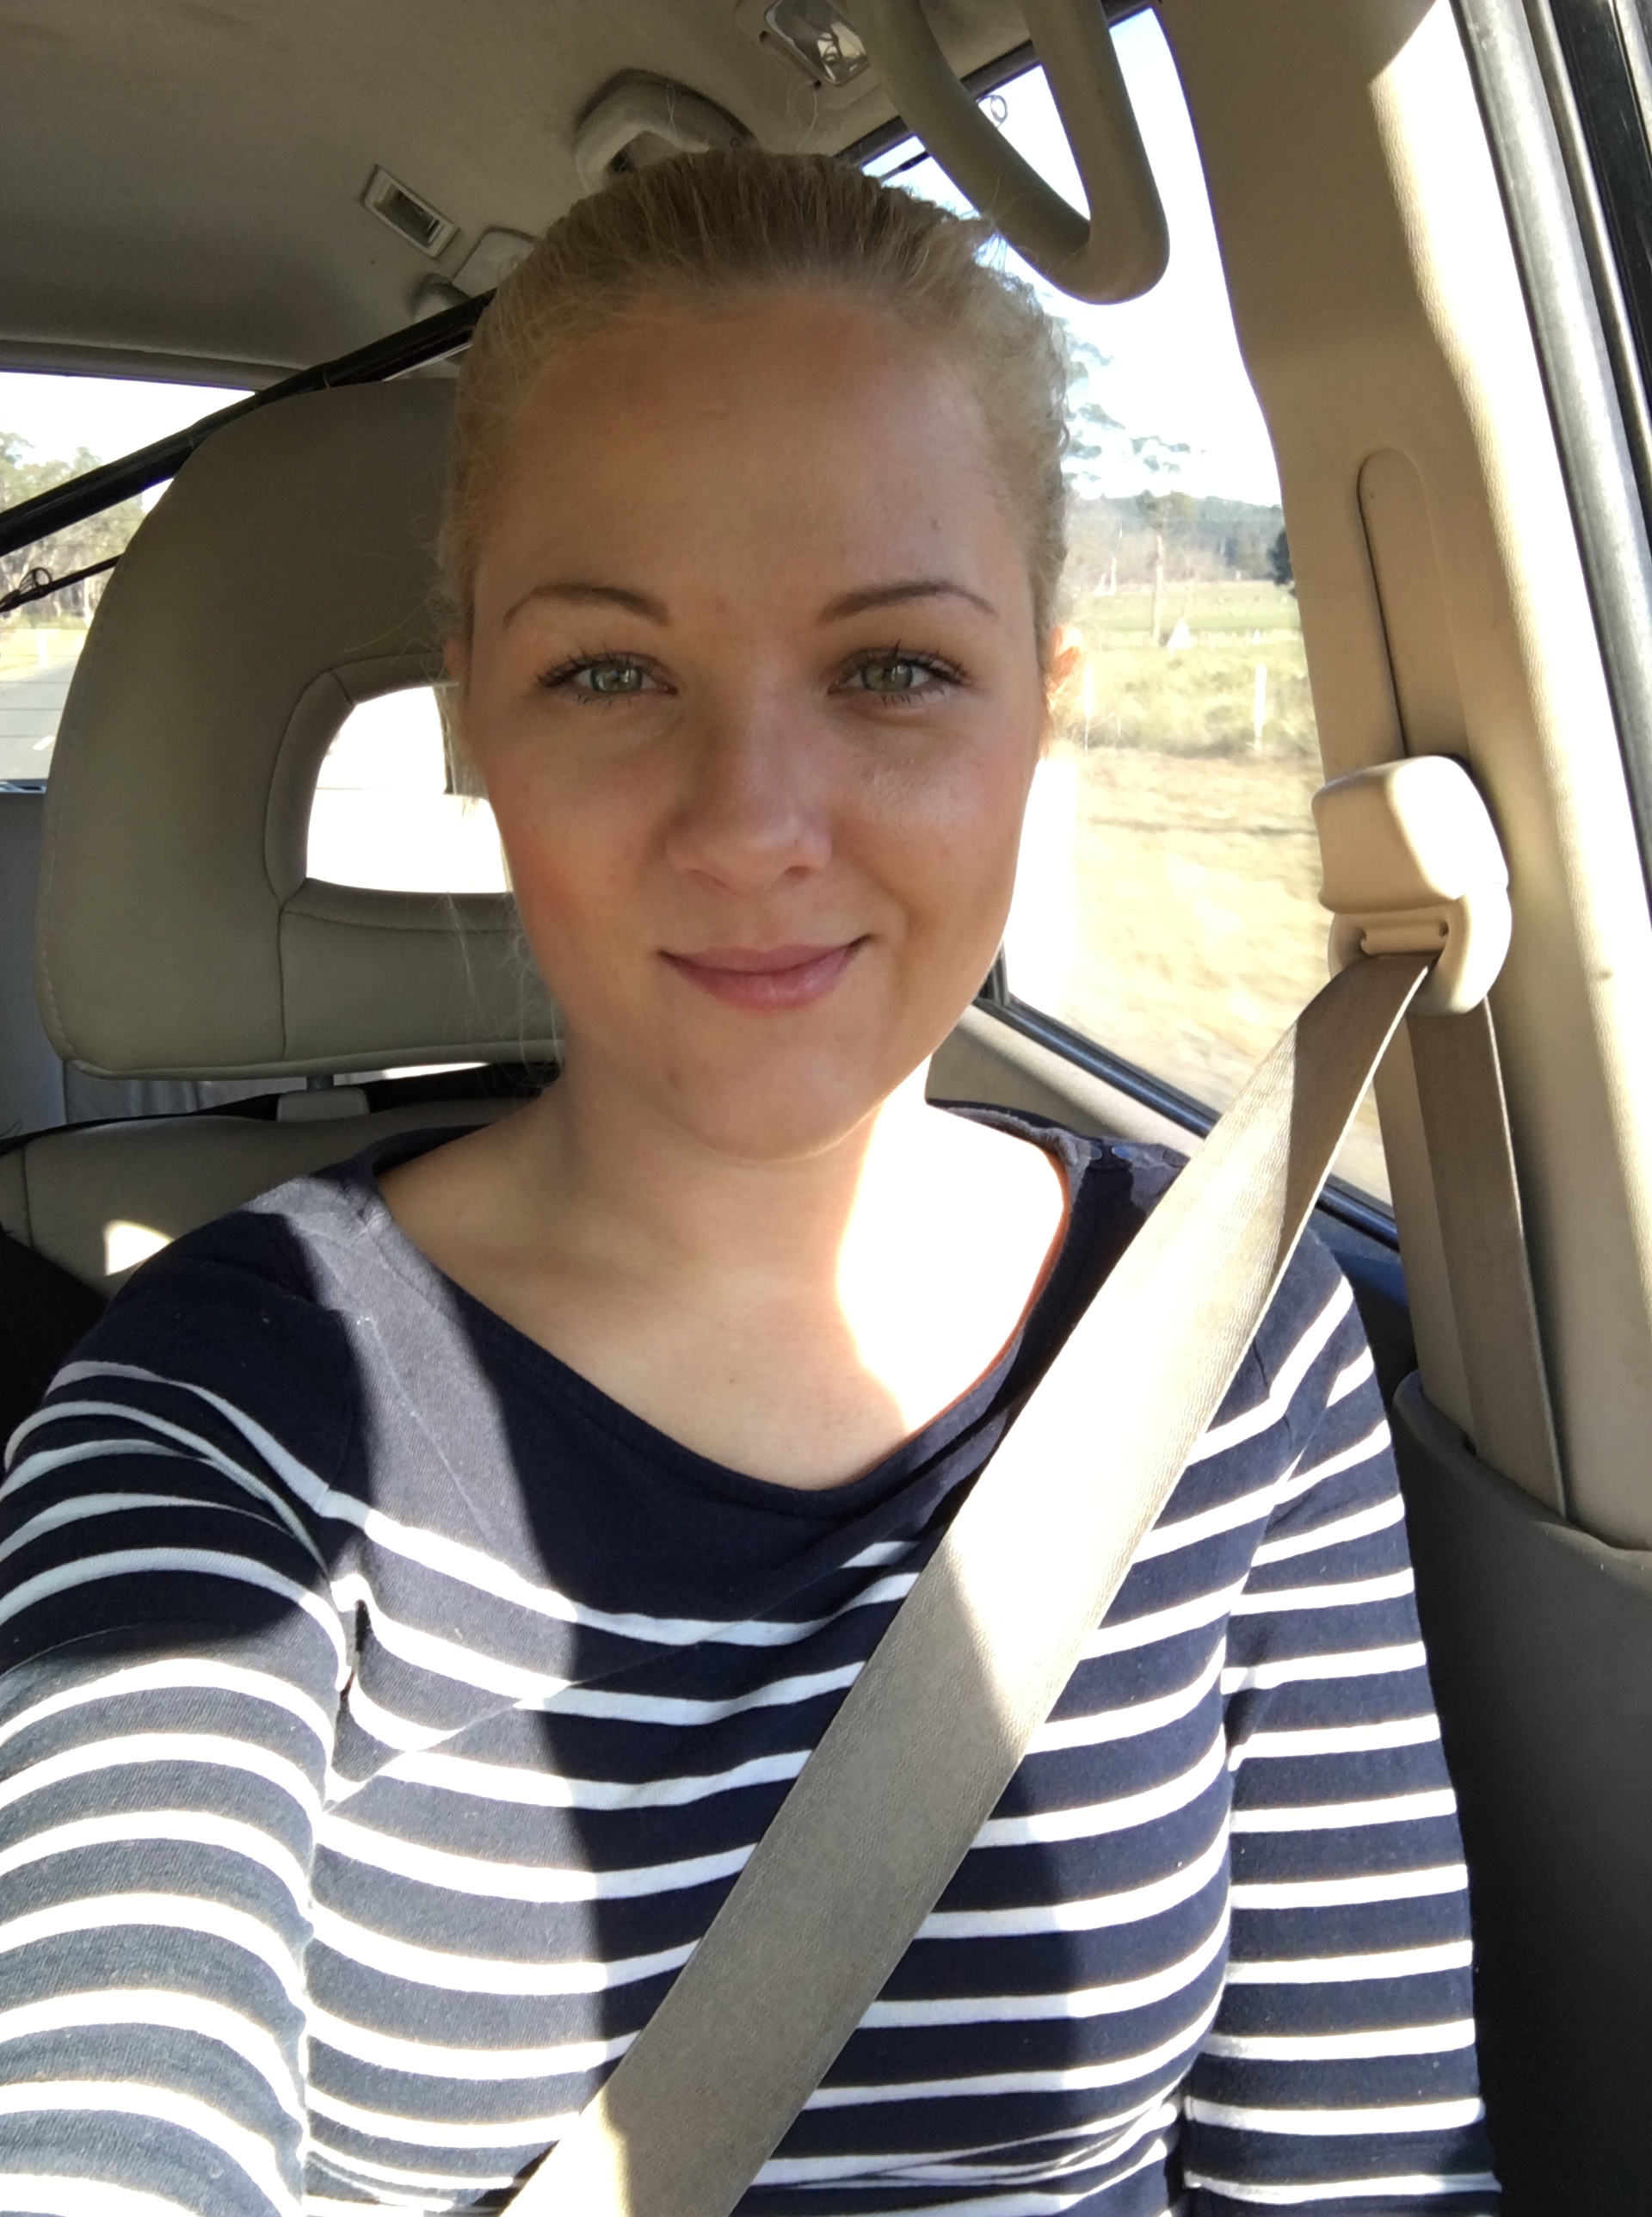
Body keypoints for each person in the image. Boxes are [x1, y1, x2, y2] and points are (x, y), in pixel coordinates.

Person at [0, 152, 1497, 2216]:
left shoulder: (1224, 1335)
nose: (753, 823)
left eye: (894, 669)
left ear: (1043, 713)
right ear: (474, 719)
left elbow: (1364, 2171)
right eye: (610, 672)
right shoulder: (215, 1421)